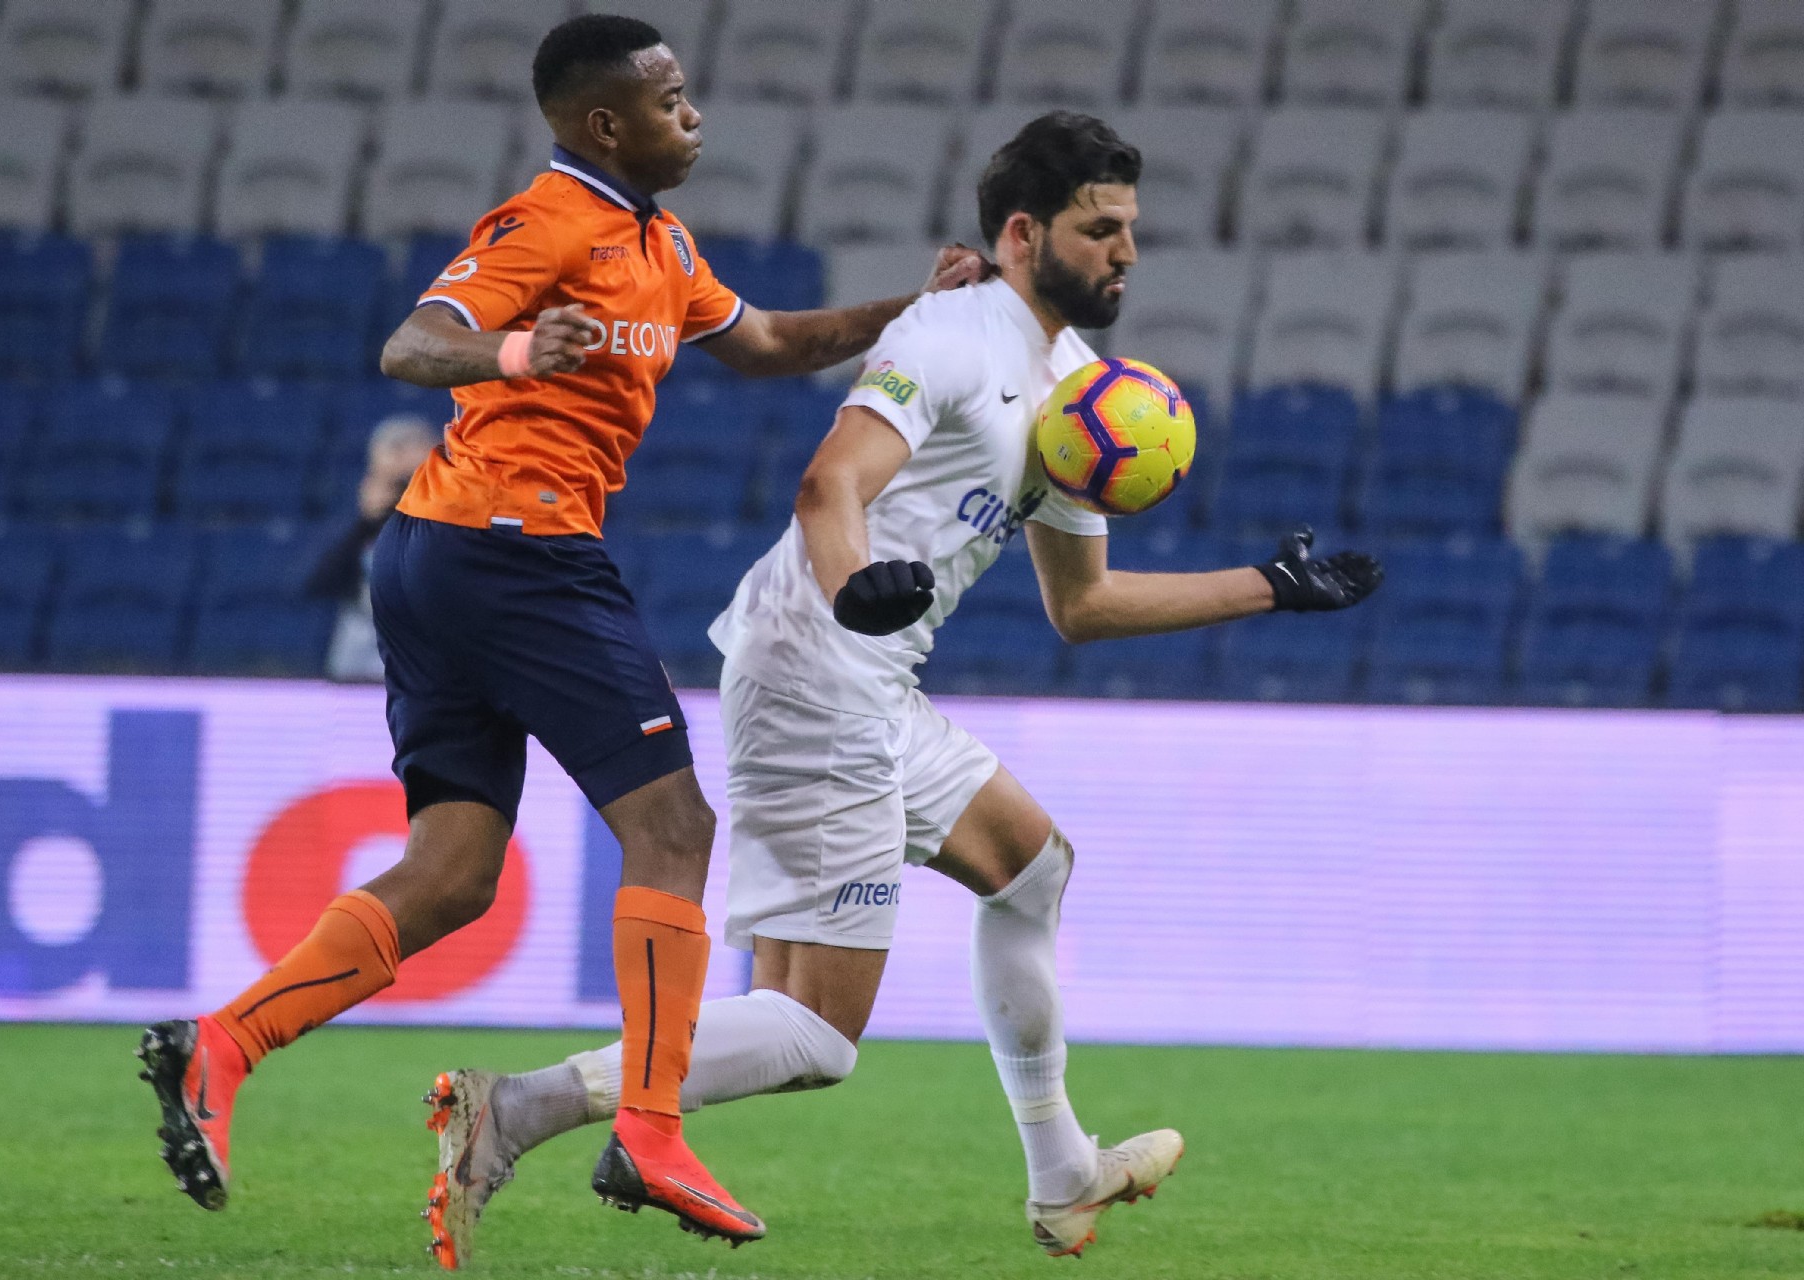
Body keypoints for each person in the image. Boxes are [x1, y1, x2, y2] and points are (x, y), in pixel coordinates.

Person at [432, 111, 1384, 1262]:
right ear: (1024, 234)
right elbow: (829, 485)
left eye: (1131, 228)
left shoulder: (1081, 394)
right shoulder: (951, 332)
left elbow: (1082, 604)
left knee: (1031, 865)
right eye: (1100, 229)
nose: (1126, 252)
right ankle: (517, 1107)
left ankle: (1063, 1175)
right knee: (816, 1035)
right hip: (819, 667)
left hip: (875, 681)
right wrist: (855, 586)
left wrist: (1269, 586)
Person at [134, 12, 986, 1263]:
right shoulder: (549, 220)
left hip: (442, 555)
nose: (693, 116)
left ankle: (222, 1043)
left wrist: (917, 308)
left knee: (454, 873)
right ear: (605, 123)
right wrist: (519, 347)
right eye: (671, 100)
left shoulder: (660, 241)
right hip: (514, 549)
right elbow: (412, 343)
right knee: (674, 829)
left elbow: (767, 344)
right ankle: (650, 1125)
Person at [306, 414, 440, 682]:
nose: (404, 489)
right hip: (363, 646)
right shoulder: (357, 524)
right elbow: (316, 582)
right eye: (397, 483)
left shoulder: (457, 522)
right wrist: (366, 521)